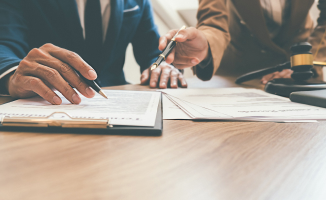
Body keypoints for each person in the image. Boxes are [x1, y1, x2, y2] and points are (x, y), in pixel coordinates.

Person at [0, 0, 187, 105]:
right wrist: (14, 75)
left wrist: (164, 66)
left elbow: (152, 53)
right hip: (52, 105)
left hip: (120, 106)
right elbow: (5, 45)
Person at [159, 0, 326, 84]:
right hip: (241, 73)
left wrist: (308, 61)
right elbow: (213, 21)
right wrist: (206, 44)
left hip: (299, 69)